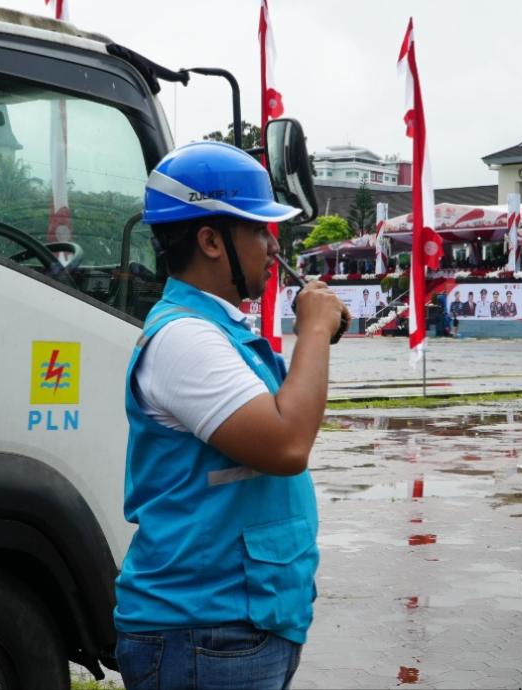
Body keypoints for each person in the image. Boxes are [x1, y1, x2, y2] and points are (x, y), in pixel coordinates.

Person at [115, 141, 349, 690]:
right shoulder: (186, 338)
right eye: (260, 230)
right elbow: (287, 444)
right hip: (205, 633)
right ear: (211, 240)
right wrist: (314, 330)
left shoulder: (220, 331)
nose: (274, 246)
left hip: (238, 625)